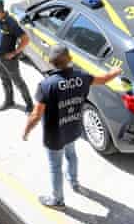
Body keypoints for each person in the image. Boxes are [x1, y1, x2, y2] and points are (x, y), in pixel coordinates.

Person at [22, 45, 121, 207]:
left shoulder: (46, 85)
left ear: (51, 62)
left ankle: (57, 200)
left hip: (54, 135)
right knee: (71, 154)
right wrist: (116, 71)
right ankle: (73, 181)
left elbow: (36, 115)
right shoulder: (82, 77)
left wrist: (26, 131)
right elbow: (104, 79)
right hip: (73, 128)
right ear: (70, 59)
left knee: (55, 167)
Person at [0, 0, 33, 112]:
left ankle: (30, 105)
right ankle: (9, 101)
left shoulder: (11, 22)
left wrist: (14, 53)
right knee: (4, 80)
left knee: (18, 83)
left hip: (9, 59)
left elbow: (26, 39)